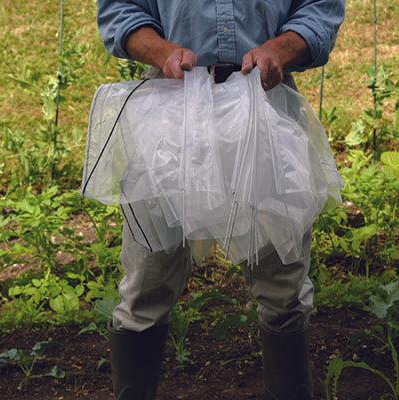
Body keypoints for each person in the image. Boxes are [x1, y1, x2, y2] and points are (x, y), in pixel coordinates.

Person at [96, 1, 345, 399]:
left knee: (283, 285)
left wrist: (279, 50)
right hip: (169, 116)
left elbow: (318, 8)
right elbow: (120, 10)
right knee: (147, 282)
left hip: (266, 111)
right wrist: (163, 52)